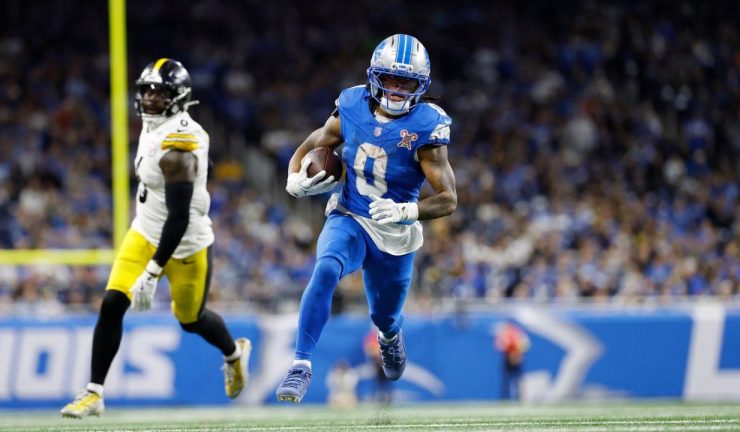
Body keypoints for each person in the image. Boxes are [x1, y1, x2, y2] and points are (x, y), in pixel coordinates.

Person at [61, 58, 251, 418]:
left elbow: (178, 218)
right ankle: (94, 392)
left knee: (191, 318)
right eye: (146, 90)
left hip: (185, 242)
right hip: (144, 229)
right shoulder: (155, 126)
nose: (149, 97)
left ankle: (234, 354)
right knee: (112, 303)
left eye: (159, 91)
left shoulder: (180, 146)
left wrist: (152, 271)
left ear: (177, 97)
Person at [276, 34, 457, 403]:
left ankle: (390, 338)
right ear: (374, 76)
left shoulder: (427, 125)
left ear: (420, 86)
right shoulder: (352, 102)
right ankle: (301, 365)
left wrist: (407, 210)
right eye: (388, 78)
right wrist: (294, 174)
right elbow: (318, 140)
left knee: (385, 318)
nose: (394, 89)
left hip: (394, 231)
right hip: (351, 215)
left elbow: (448, 198)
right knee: (326, 268)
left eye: (404, 82)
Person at [494, 322, 530, 400]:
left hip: (516, 359)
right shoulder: (505, 334)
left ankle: (519, 397)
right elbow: (499, 346)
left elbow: (525, 345)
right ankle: (506, 398)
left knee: (518, 381)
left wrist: (516, 351)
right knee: (507, 381)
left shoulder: (517, 333)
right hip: (508, 359)